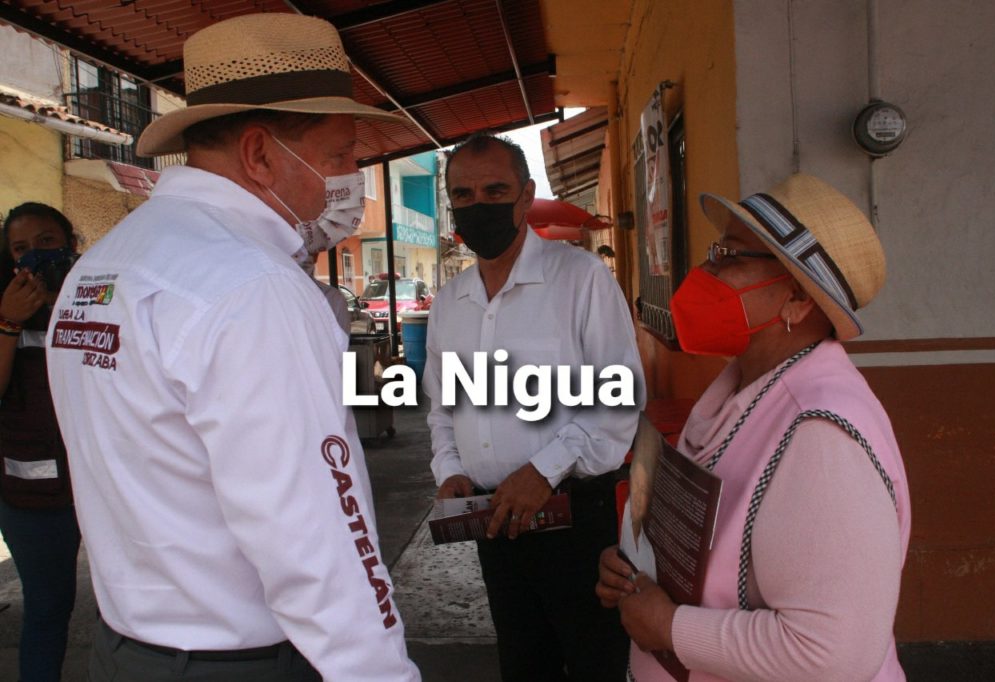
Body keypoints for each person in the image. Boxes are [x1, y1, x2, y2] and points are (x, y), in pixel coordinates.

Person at [45, 14, 419, 682]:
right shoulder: (253, 287)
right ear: (259, 154)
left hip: (125, 652)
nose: (351, 176)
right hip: (242, 663)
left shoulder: (102, 267)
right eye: (339, 155)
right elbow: (318, 538)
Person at [597, 173, 911, 681]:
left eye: (731, 256)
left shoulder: (821, 434)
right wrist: (638, 567)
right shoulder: (746, 389)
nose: (705, 269)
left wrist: (669, 626)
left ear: (796, 300)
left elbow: (830, 652)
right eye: (715, 250)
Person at [424, 133, 646, 682]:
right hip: (495, 525)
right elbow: (440, 407)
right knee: (523, 664)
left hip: (576, 520)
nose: (480, 206)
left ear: (525, 197)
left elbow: (618, 402)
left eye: (495, 190)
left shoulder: (580, 280)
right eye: (465, 195)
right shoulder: (451, 303)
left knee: (597, 662)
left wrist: (544, 470)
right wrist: (450, 470)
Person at [0, 202, 81, 682]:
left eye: (46, 243)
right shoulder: (4, 310)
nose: (34, 256)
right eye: (21, 248)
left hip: (104, 486)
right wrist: (8, 321)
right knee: (48, 611)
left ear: (70, 244)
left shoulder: (96, 299)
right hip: (32, 498)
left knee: (132, 604)